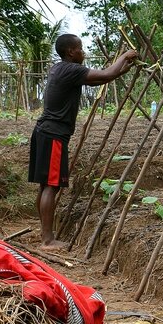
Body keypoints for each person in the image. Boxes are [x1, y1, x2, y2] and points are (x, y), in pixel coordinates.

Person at [29, 34, 138, 250]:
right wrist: (125, 55)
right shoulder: (71, 69)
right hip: (54, 135)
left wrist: (121, 69)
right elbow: (107, 73)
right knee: (52, 186)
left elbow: (103, 78)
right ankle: (47, 240)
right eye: (80, 48)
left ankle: (44, 232)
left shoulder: (59, 69)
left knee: (45, 186)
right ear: (70, 52)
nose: (83, 52)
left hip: (44, 132)